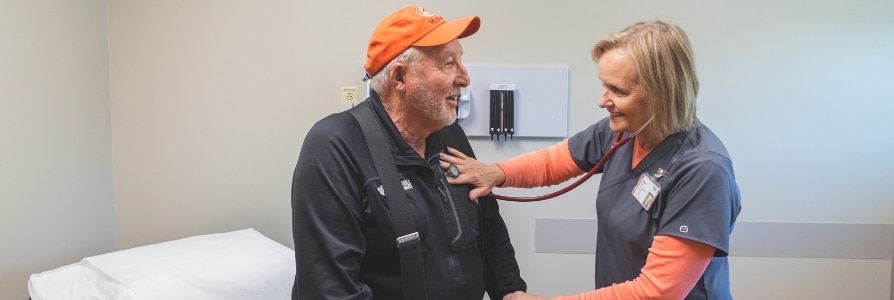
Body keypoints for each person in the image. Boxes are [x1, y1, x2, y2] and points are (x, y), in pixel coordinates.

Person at [441, 20, 741, 300]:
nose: (602, 100)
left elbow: (657, 291)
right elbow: (552, 163)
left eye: (618, 91)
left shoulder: (703, 170)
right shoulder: (625, 132)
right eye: (604, 85)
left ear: (662, 93)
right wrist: (495, 172)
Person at [291, 5, 532, 300]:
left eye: (461, 61)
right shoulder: (334, 146)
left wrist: (511, 291)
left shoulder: (449, 135)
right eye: (448, 64)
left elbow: (488, 226)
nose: (465, 78)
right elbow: (331, 290)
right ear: (400, 78)